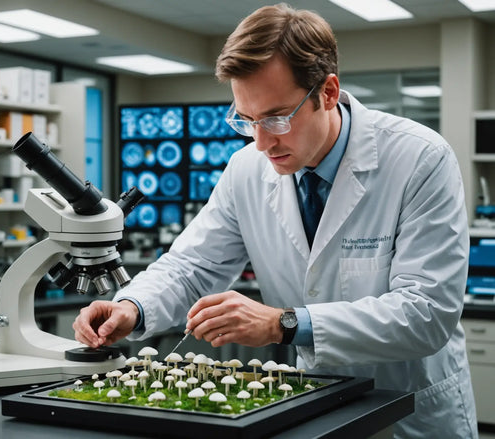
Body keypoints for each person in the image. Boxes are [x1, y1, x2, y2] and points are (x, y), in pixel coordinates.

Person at [73, 4, 477, 437]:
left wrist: (283, 323)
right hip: (318, 404)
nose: (262, 142)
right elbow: (191, 267)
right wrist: (133, 306)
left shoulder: (419, 158)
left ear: (328, 92)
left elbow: (427, 314)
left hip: (409, 412)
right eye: (246, 120)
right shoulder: (247, 167)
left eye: (277, 118)